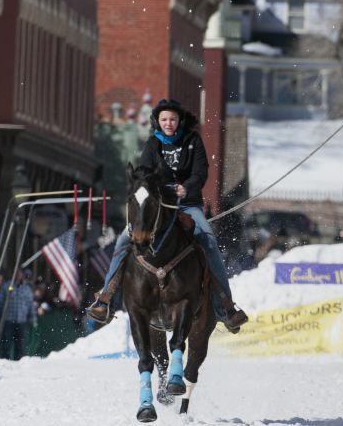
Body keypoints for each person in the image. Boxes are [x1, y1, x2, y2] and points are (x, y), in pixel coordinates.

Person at [88, 98, 248, 332]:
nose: (168, 123)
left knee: (209, 240)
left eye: (172, 119)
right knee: (123, 241)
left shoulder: (192, 141)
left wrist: (188, 187)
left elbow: (200, 171)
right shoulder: (153, 143)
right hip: (157, 207)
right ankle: (105, 300)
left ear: (179, 120)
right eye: (164, 119)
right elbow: (143, 173)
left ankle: (225, 306)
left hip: (188, 205)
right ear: (157, 122)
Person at [0, 267, 37, 360]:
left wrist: (34, 318)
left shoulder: (26, 288)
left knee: (20, 346)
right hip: (8, 320)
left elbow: (30, 304)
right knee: (6, 345)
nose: (17, 275)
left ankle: (18, 364)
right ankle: (5, 362)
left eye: (19, 273)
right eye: (15, 273)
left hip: (21, 321)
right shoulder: (5, 286)